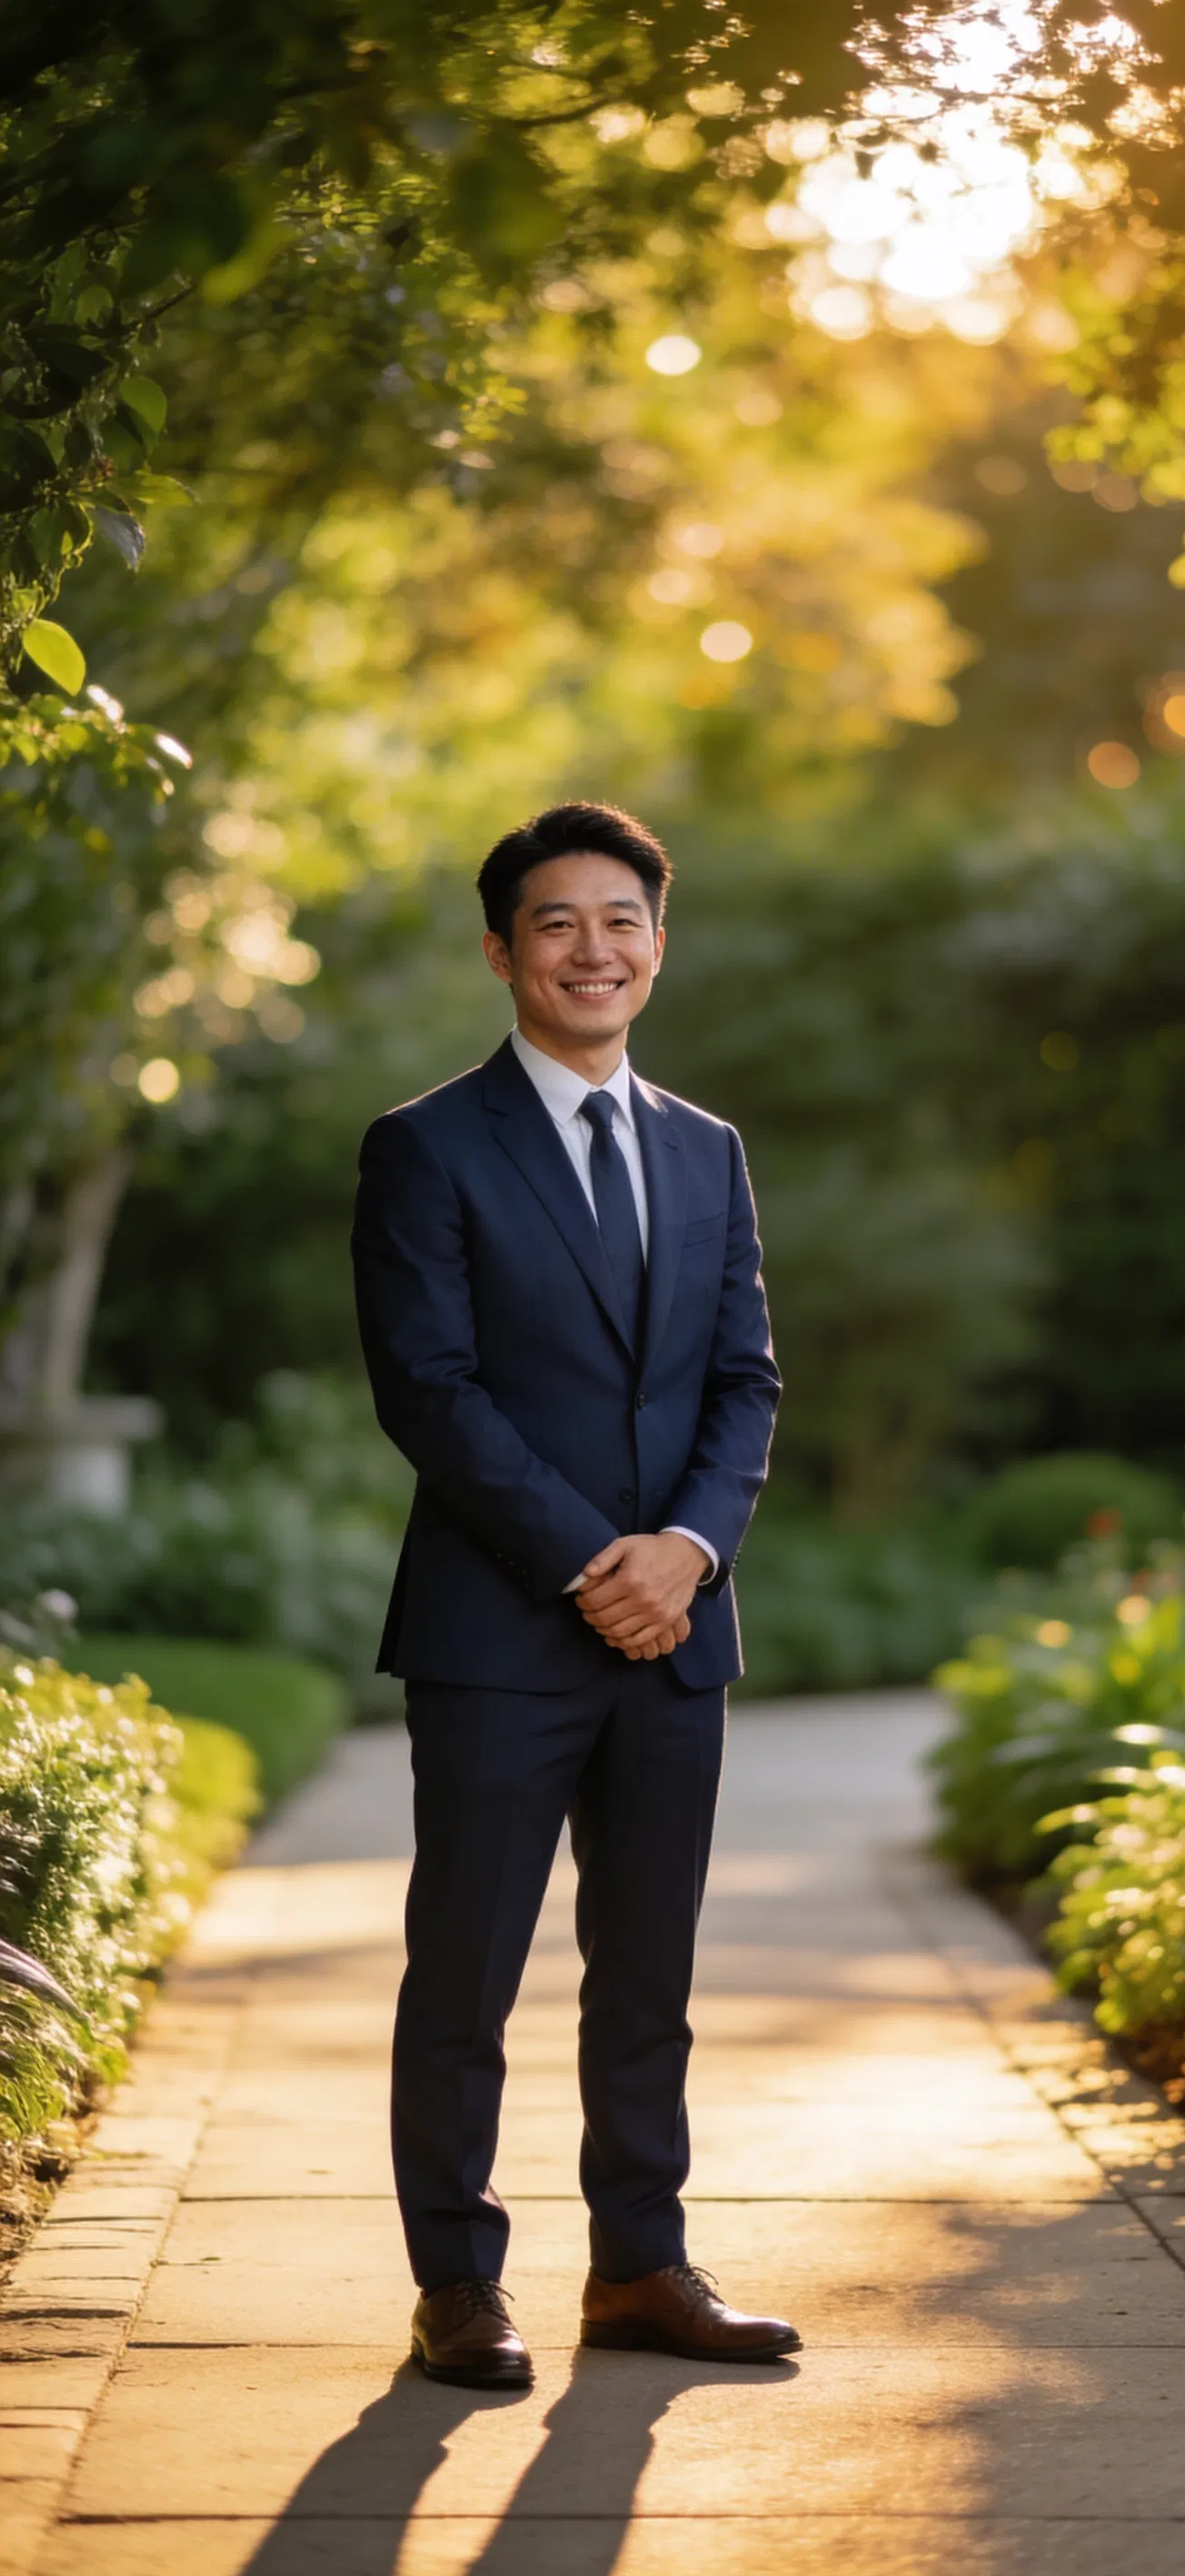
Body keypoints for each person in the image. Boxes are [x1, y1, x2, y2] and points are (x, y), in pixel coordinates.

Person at [352, 801, 797, 2388]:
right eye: (558, 923)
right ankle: (458, 2286)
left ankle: (641, 2268)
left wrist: (688, 1552)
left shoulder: (706, 1148)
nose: (592, 950)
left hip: (677, 1632)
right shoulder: (426, 1146)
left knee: (650, 1975)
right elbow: (430, 1388)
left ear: (658, 947)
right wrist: (594, 1562)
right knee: (464, 1973)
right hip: (498, 1631)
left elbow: (744, 1380)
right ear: (502, 950)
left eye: (622, 922)